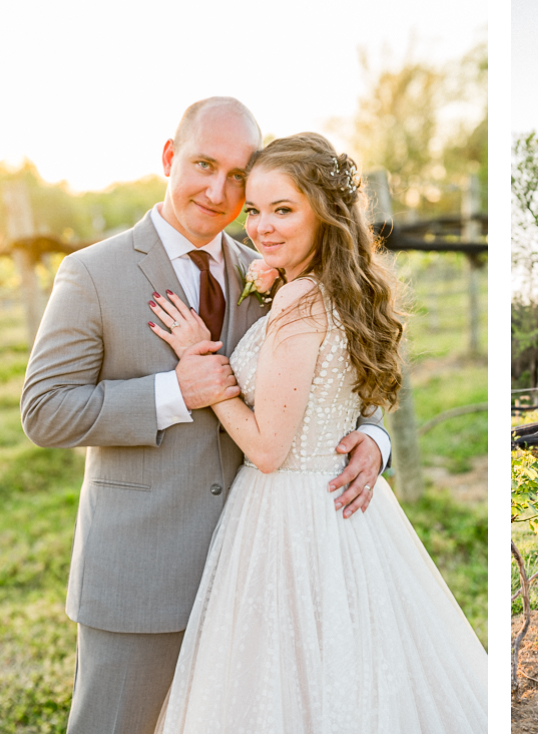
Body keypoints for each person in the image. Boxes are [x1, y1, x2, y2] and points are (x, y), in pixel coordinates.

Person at [20, 98, 390, 734]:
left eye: (239, 175)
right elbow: (45, 410)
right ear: (170, 157)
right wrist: (175, 391)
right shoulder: (93, 273)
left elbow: (339, 364)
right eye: (202, 164)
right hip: (143, 575)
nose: (219, 191)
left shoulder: (269, 267)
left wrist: (375, 436)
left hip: (260, 568)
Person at [149, 133, 486, 732]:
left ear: (324, 213)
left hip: (289, 513)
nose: (262, 228)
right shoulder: (341, 288)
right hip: (344, 511)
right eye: (254, 210)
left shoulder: (303, 299)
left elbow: (268, 449)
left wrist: (199, 363)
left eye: (284, 210)